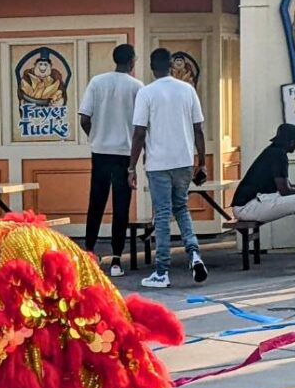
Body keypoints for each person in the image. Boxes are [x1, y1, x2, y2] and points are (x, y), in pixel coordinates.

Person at [129, 47, 208, 288]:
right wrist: (201, 162)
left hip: (158, 163)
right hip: (184, 159)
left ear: (152, 67)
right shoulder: (187, 90)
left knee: (162, 214)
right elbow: (198, 130)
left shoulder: (146, 93)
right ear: (172, 65)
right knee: (181, 208)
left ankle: (162, 271)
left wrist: (131, 166)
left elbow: (140, 133)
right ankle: (194, 253)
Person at [79, 43, 143, 277]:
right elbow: (140, 128)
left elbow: (84, 118)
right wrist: (134, 165)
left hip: (100, 151)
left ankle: (89, 252)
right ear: (132, 62)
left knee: (95, 203)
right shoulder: (137, 87)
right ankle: (117, 259)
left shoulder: (97, 82)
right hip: (125, 154)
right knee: (121, 207)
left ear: (115, 59)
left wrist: (95, 136)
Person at [231, 123, 295, 269]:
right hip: (247, 206)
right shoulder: (278, 155)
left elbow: (288, 186)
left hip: (255, 201)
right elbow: (285, 190)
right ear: (291, 142)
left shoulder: (273, 152)